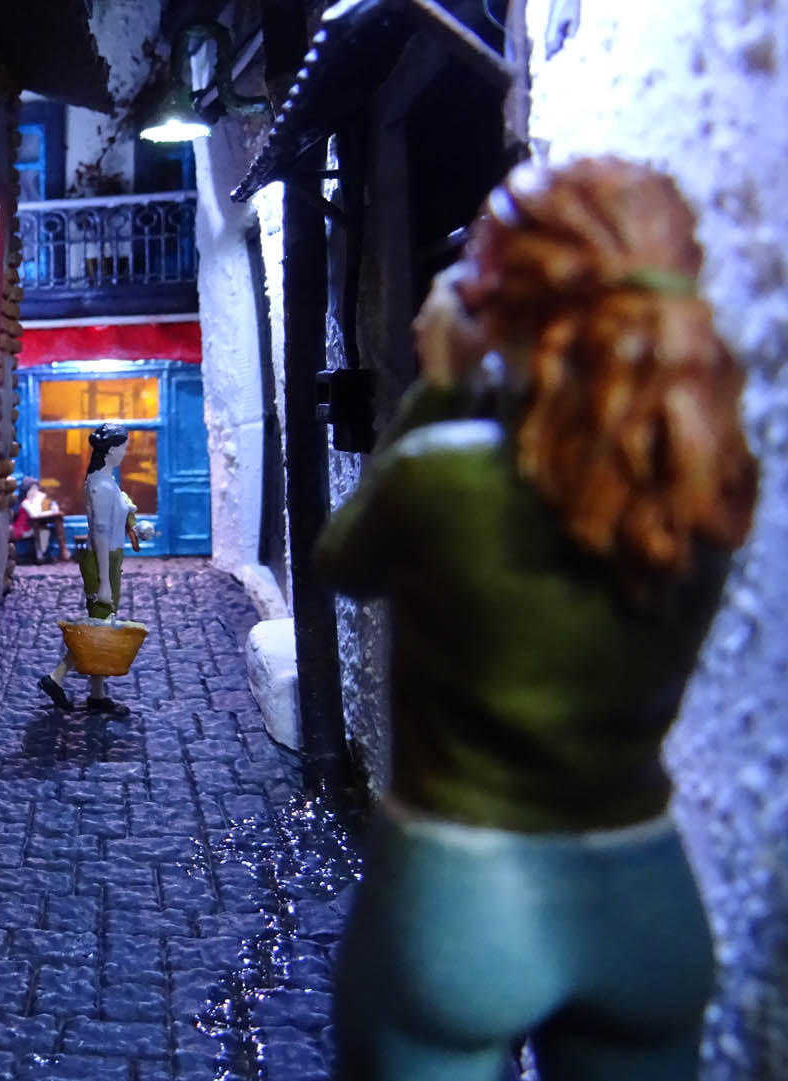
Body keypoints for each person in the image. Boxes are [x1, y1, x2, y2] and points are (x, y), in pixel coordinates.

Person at [318, 158, 757, 1081]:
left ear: (498, 309)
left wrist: (440, 381)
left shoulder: (440, 474)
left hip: (459, 898)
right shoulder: (706, 480)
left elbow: (341, 563)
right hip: (643, 889)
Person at [38, 424, 145, 712]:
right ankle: (56, 678)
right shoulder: (100, 486)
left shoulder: (106, 481)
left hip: (111, 557)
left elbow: (118, 516)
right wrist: (104, 583)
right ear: (111, 449)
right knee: (98, 625)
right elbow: (98, 532)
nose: (126, 451)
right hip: (103, 559)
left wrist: (136, 525)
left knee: (101, 626)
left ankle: (96, 695)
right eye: (123, 446)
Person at [12, 478, 65, 563]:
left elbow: (39, 513)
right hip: (23, 529)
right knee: (40, 530)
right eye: (33, 490)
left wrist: (51, 511)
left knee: (44, 528)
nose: (35, 492)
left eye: (36, 489)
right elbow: (34, 514)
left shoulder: (33, 502)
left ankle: (43, 554)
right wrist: (39, 499)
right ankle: (40, 556)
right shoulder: (25, 502)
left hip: (32, 525)